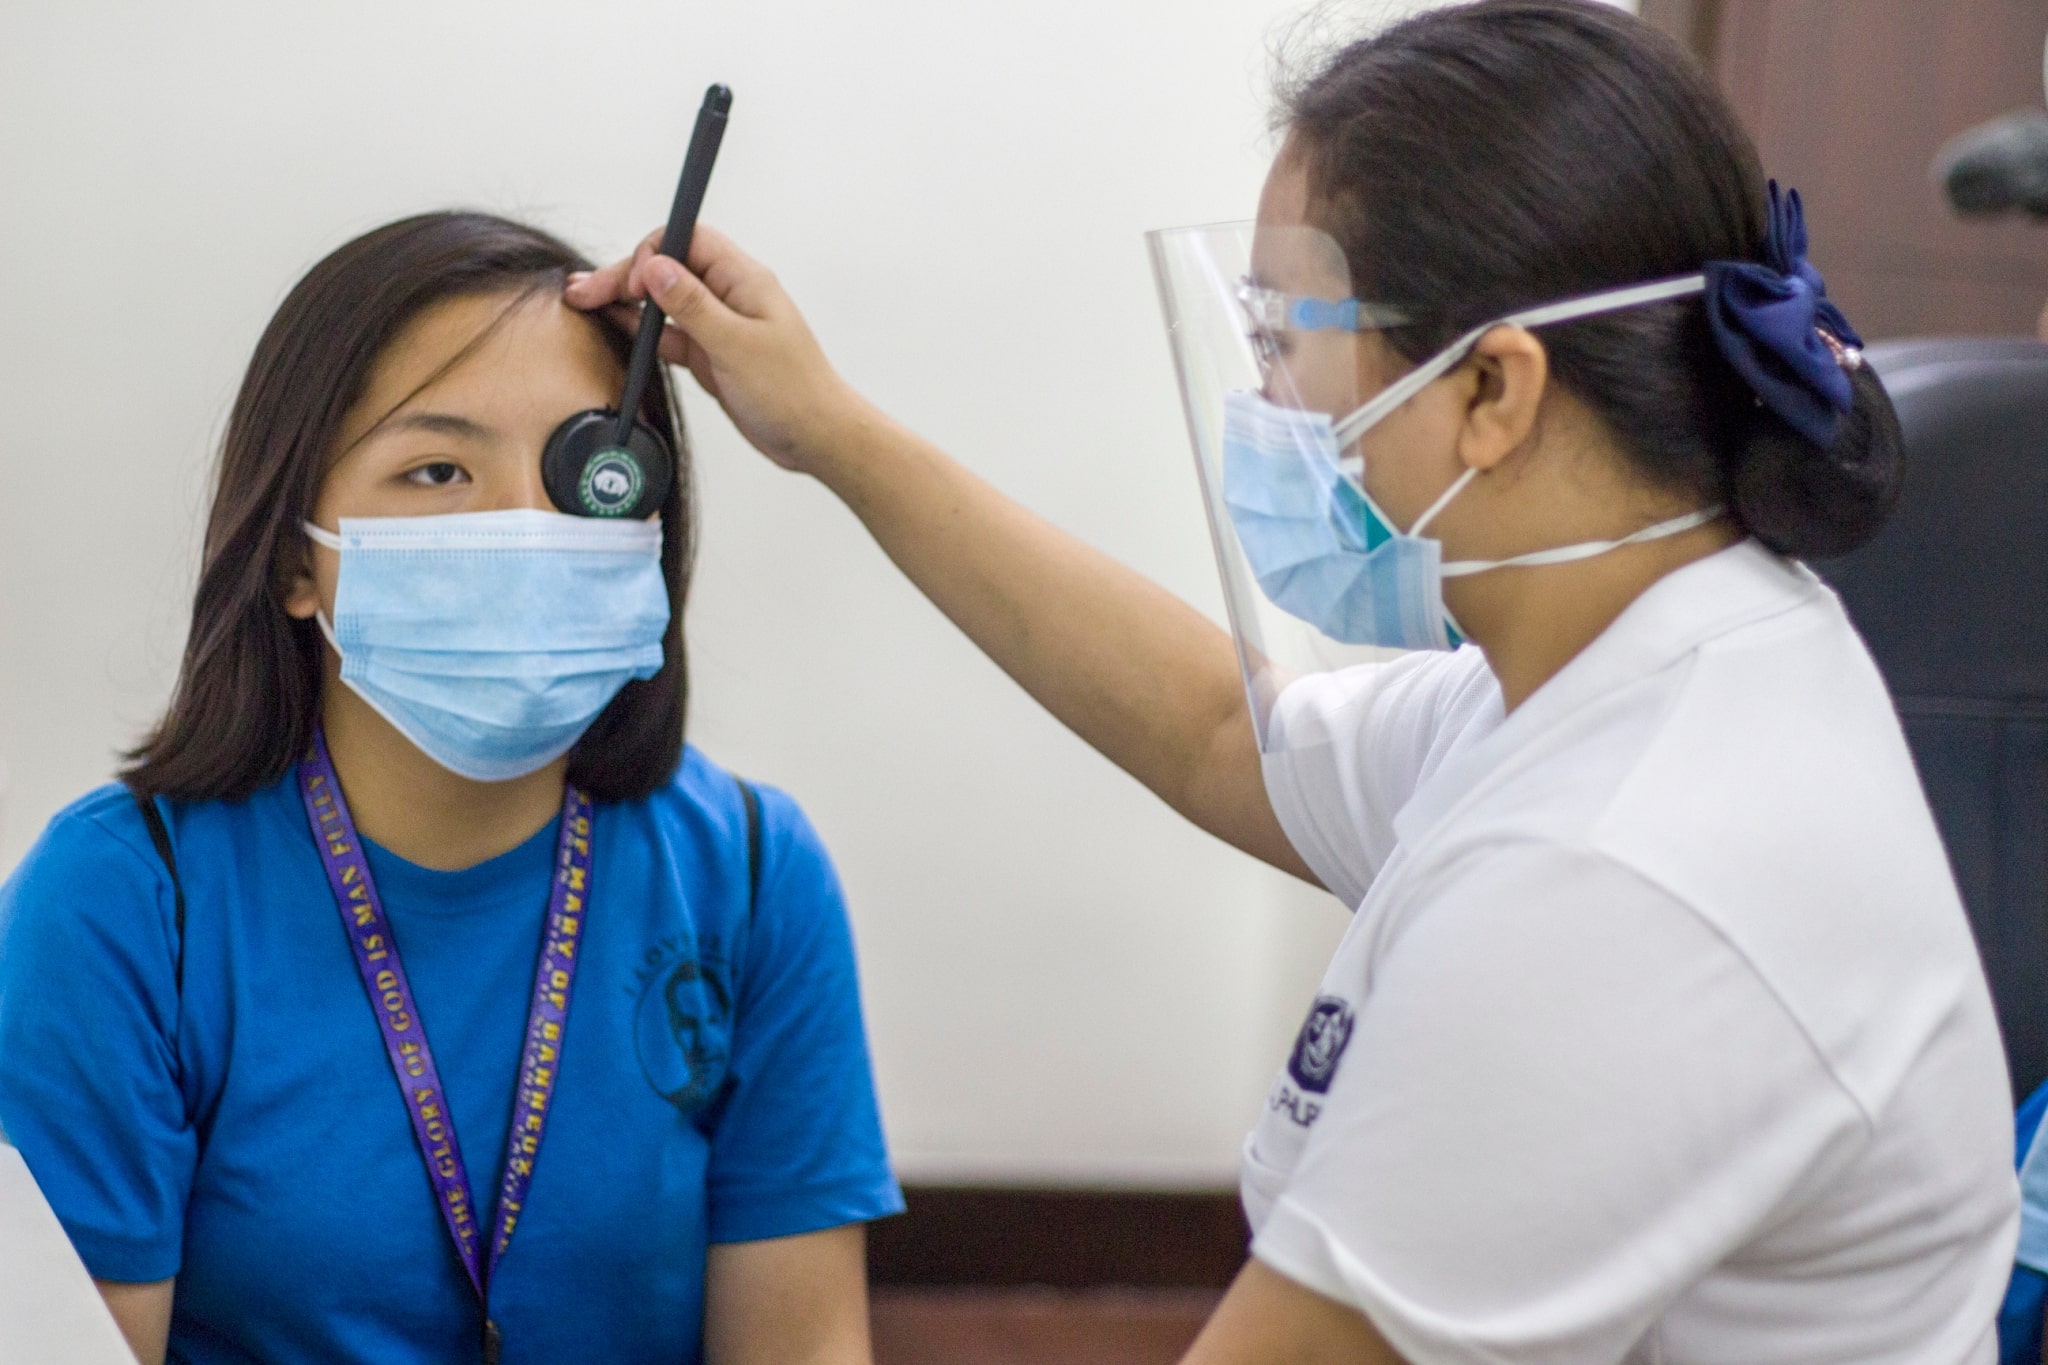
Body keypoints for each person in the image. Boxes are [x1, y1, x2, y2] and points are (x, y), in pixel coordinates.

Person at [567, 2, 2018, 1361]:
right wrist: (830, 432)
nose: (1267, 404)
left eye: (1290, 339)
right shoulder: (1642, 649)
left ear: (1496, 391)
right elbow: (1222, 732)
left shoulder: (1624, 877)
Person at [0, 211, 901, 1364]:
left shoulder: (753, 870)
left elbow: (802, 1347)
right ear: (292, 557)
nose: (526, 528)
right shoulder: (125, 900)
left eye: (582, 466)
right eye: (436, 469)